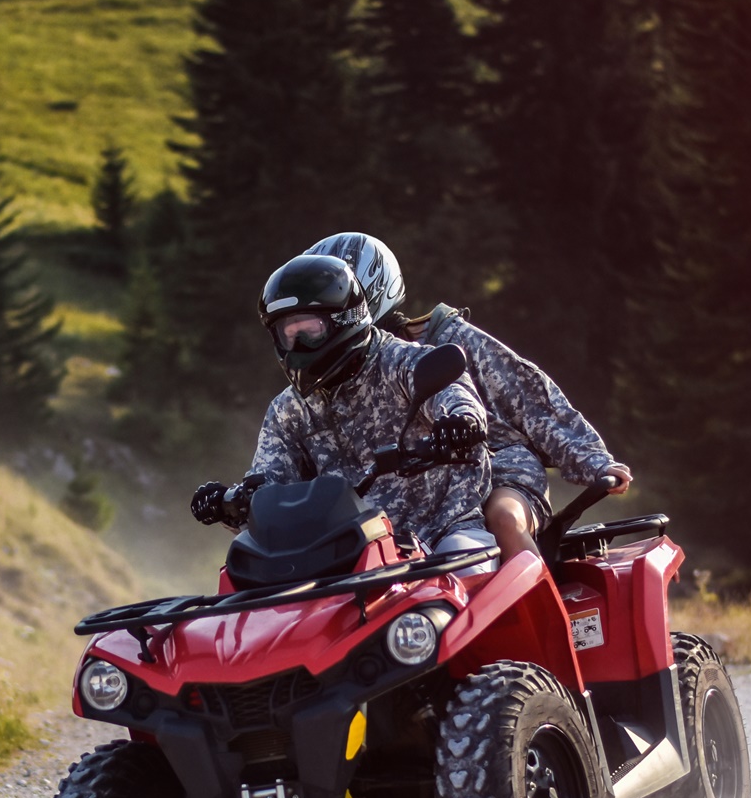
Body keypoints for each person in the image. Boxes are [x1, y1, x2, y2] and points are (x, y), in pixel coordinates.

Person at [305, 232, 632, 563]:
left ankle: (543, 612)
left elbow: (531, 397)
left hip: (497, 466)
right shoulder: (337, 376)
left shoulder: (450, 338)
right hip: (415, 491)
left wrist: (593, 460)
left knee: (503, 519)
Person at [190, 253, 492, 554]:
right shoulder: (288, 409)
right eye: (289, 335)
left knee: (455, 588)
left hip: (444, 533)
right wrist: (233, 504)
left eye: (309, 330)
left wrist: (461, 422)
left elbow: (456, 395)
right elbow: (269, 487)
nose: (299, 346)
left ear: (346, 318)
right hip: (349, 551)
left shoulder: (402, 361)